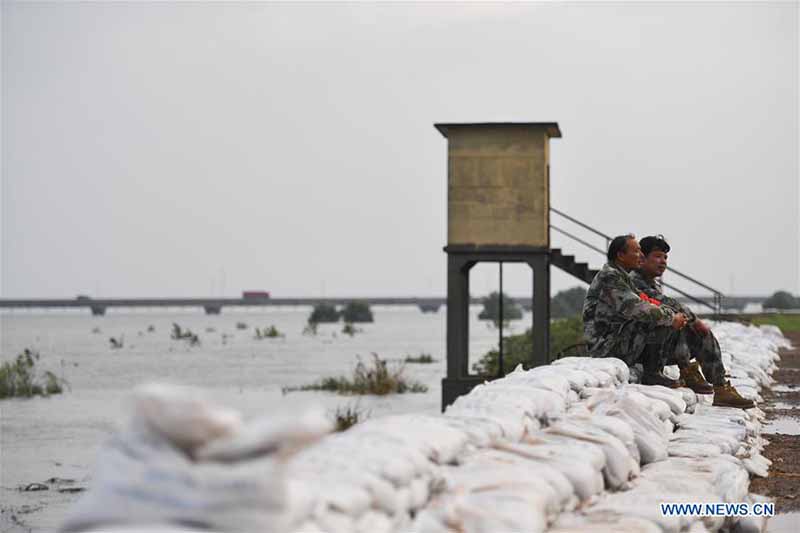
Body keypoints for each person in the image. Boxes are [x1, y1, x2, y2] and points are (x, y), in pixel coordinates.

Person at [630, 235, 754, 409]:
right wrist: (694, 320)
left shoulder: (651, 283)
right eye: (657, 256)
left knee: (694, 330)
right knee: (678, 322)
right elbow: (663, 304)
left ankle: (715, 384)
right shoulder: (634, 280)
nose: (663, 262)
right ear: (642, 258)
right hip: (634, 347)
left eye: (665, 258)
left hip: (649, 346)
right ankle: (693, 374)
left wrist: (692, 323)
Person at [582, 234, 688, 387]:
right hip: (604, 348)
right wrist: (672, 318)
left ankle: (681, 370)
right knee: (655, 319)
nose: (641, 255)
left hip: (616, 339)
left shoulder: (623, 277)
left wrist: (673, 315)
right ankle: (652, 374)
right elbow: (637, 308)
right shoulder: (610, 277)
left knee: (666, 317)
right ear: (621, 255)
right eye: (637, 251)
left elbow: (645, 301)